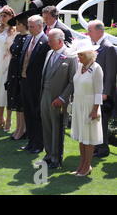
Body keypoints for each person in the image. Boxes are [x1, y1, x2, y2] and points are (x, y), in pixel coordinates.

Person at [40, 29, 77, 169]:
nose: (48, 43)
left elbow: (73, 81)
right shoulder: (49, 53)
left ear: (60, 41)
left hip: (59, 99)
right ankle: (48, 154)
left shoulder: (70, 56)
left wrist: (62, 98)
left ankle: (56, 158)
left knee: (57, 128)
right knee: (47, 126)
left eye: (51, 40)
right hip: (45, 95)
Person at [70, 39, 103, 176]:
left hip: (90, 107)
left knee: (88, 138)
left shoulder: (96, 68)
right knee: (81, 137)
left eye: (81, 55)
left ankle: (87, 165)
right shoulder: (79, 67)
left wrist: (95, 110)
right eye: (78, 55)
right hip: (78, 105)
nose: (79, 57)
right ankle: (82, 165)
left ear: (89, 54)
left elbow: (98, 92)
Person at [19, 15, 50, 154]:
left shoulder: (46, 41)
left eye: (31, 26)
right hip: (25, 82)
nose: (29, 29)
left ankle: (39, 144)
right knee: (28, 113)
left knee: (37, 115)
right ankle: (31, 142)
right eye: (29, 26)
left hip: (37, 85)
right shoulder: (28, 39)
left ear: (40, 26)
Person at [88, 20, 117, 158]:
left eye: (90, 31)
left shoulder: (109, 47)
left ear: (99, 31)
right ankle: (96, 146)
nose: (88, 33)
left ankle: (103, 149)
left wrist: (105, 92)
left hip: (103, 93)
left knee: (102, 121)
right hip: (93, 90)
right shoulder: (94, 46)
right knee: (95, 121)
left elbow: (111, 73)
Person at [6, 9, 35, 140]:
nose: (16, 26)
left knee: (21, 102)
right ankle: (18, 128)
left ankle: (22, 129)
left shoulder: (28, 38)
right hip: (13, 72)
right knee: (16, 101)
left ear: (23, 25)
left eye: (17, 24)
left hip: (20, 72)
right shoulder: (18, 37)